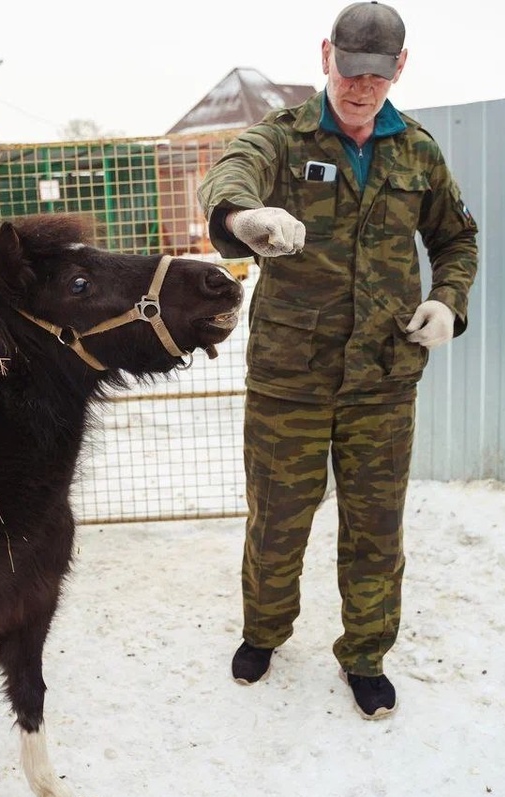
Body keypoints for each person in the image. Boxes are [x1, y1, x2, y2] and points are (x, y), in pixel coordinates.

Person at [197, 0, 479, 719]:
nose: (361, 87)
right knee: (277, 520)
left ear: (399, 69)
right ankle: (264, 632)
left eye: (376, 75)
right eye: (350, 70)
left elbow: (456, 238)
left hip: (383, 377)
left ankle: (366, 654)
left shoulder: (417, 152)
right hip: (289, 375)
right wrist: (245, 217)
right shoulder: (283, 137)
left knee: (375, 528)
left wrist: (447, 300)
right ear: (326, 56)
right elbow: (231, 173)